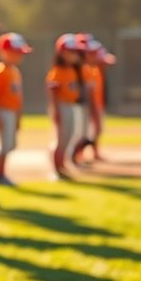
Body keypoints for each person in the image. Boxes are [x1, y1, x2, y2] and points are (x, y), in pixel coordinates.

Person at [0, 32, 33, 187]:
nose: (19, 56)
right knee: (4, 145)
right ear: (4, 52)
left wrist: (18, 118)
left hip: (12, 112)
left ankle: (2, 173)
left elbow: (18, 97)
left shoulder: (15, 72)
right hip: (3, 111)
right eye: (16, 53)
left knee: (10, 144)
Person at [47, 33, 87, 179]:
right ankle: (56, 168)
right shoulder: (57, 71)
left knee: (69, 137)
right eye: (72, 51)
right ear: (62, 53)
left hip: (71, 106)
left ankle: (62, 164)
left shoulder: (73, 70)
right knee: (61, 138)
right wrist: (56, 111)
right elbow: (53, 93)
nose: (75, 55)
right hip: (62, 106)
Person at [73, 34, 117, 164]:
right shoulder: (84, 69)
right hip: (86, 105)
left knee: (94, 131)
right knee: (83, 133)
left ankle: (91, 152)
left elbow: (109, 60)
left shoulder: (93, 69)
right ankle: (77, 155)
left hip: (97, 102)